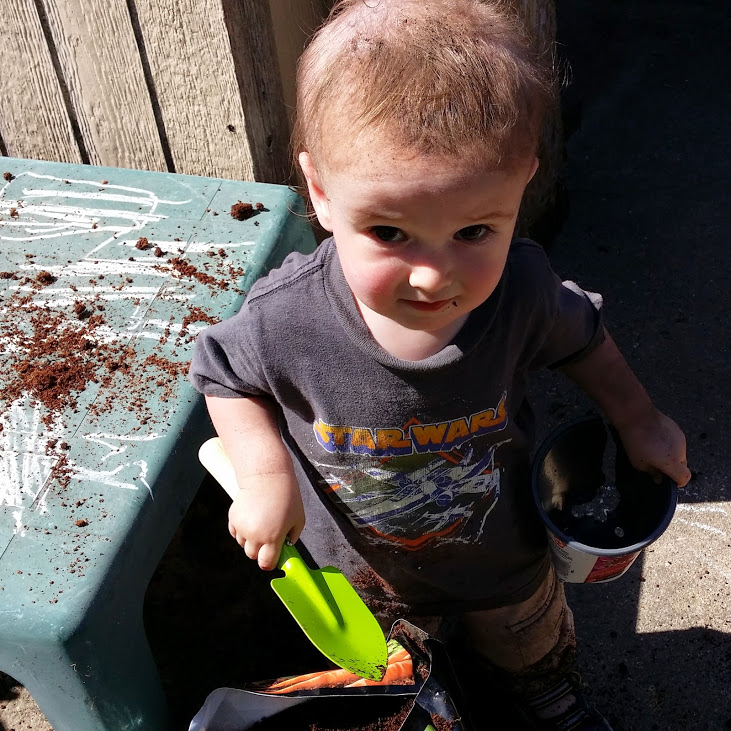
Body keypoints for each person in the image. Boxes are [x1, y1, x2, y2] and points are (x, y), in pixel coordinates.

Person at [189, 1, 691, 728]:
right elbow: (224, 374)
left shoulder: (520, 292)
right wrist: (265, 477)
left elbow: (583, 338)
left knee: (525, 635)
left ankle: (545, 691)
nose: (432, 275)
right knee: (398, 663)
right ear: (322, 193)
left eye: (472, 231)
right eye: (389, 231)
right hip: (362, 563)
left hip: (500, 547)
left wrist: (637, 417)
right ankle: (422, 689)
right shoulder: (289, 317)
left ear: (522, 180)